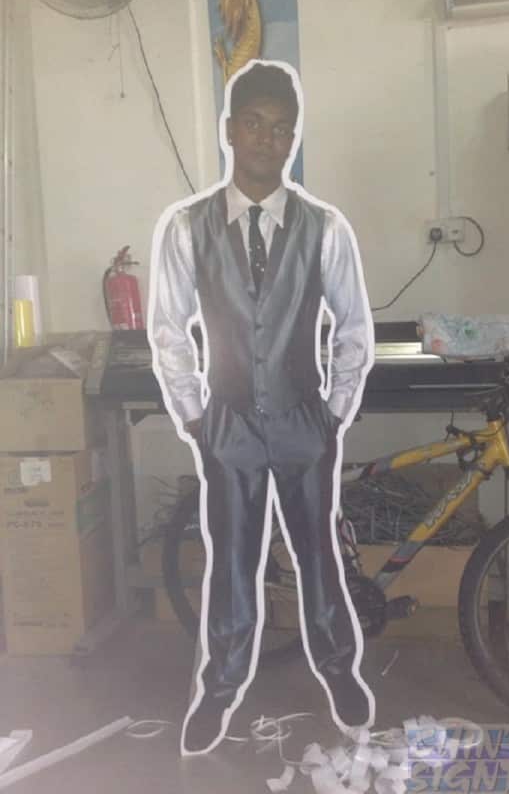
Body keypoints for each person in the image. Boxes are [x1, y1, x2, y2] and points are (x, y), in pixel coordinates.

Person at [149, 60, 375, 756]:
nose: (267, 139)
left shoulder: (324, 227)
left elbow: (354, 327)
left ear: (292, 139)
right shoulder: (186, 228)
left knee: (318, 555)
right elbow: (167, 330)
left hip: (305, 418)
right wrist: (195, 416)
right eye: (254, 123)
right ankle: (219, 688)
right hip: (229, 422)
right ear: (229, 130)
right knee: (232, 560)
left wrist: (334, 413)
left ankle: (339, 670)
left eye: (281, 129)